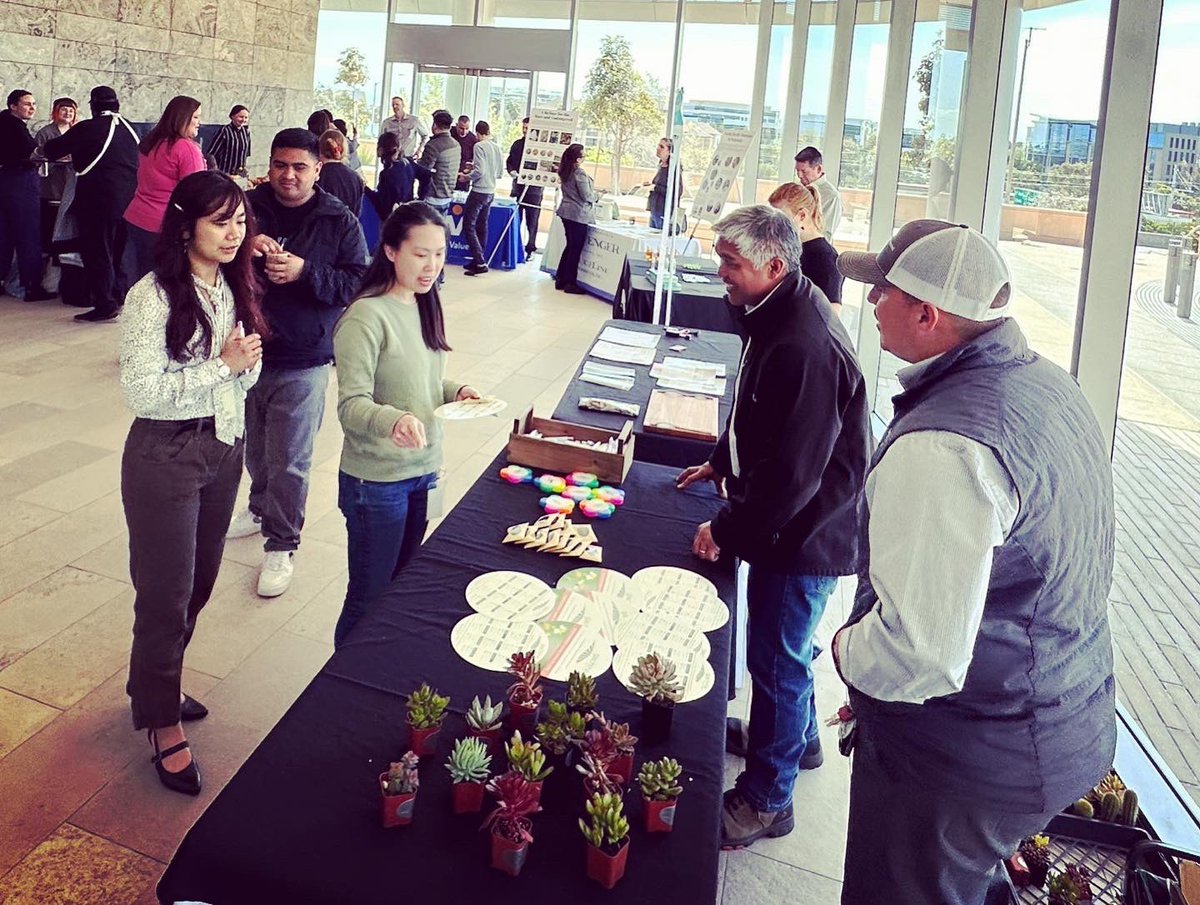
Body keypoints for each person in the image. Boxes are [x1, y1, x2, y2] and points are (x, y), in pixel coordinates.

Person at [831, 220, 1117, 905]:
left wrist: (847, 652)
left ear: (927, 314)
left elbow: (919, 654)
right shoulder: (1050, 386)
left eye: (883, 292)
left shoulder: (945, 446)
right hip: (1065, 713)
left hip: (970, 755)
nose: (871, 305)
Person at [676, 204, 870, 850]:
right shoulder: (777, 308)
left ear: (775, 266)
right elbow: (763, 420)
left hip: (807, 533)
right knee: (779, 657)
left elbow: (791, 476)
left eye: (732, 264)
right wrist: (720, 462)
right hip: (801, 519)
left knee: (777, 660)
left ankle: (767, 799)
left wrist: (727, 527)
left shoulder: (804, 342)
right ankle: (792, 739)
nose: (720, 273)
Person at [118, 170, 267, 796]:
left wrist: (243, 369)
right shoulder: (150, 298)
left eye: (239, 221)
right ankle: (160, 719)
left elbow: (240, 381)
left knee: (200, 583)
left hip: (221, 448)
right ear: (185, 227)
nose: (234, 234)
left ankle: (153, 683)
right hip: (165, 454)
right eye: (220, 222)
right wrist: (222, 367)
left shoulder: (232, 286)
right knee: (166, 594)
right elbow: (142, 391)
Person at [226, 128, 369, 598]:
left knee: (290, 458)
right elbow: (207, 257)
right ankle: (260, 506)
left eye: (299, 167)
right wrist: (244, 244)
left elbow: (354, 284)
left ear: (318, 169)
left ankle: (282, 543)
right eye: (280, 165)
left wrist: (305, 272)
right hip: (246, 348)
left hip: (304, 355)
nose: (288, 176)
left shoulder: (338, 219)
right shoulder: (244, 207)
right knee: (253, 446)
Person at [331, 201, 479, 647]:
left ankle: (378, 664)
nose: (432, 265)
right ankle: (343, 685)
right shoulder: (365, 316)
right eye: (420, 253)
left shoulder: (424, 303)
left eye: (438, 254)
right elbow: (351, 405)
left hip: (423, 471)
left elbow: (423, 378)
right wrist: (392, 420)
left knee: (401, 585)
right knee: (369, 594)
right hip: (376, 482)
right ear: (391, 251)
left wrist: (457, 391)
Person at [44, 85, 139, 322]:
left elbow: (53, 149)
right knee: (118, 251)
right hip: (129, 201)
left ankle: (104, 304)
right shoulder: (131, 129)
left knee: (98, 252)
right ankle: (119, 296)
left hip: (97, 200)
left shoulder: (89, 127)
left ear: (93, 106)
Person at [125, 95, 206, 282]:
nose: (199, 123)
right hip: (166, 225)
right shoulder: (186, 148)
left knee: (141, 281)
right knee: (167, 284)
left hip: (137, 217)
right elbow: (195, 192)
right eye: (195, 117)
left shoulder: (151, 143)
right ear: (181, 118)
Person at [0, 89, 54, 301]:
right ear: (13, 106)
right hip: (20, 182)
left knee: (3, 233)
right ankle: (31, 286)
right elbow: (33, 153)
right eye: (27, 104)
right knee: (28, 233)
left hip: (5, 181)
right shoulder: (14, 127)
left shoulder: (4, 122)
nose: (32, 108)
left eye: (33, 104)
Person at [768, 182, 843, 314]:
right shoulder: (790, 248)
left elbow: (831, 314)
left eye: (780, 218)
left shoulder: (825, 258)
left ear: (802, 216)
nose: (773, 225)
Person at [34, 97, 76, 251]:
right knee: (48, 225)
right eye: (64, 109)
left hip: (70, 185)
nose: (67, 113)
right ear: (55, 112)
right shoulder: (45, 133)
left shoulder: (76, 132)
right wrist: (57, 159)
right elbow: (36, 160)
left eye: (71, 110)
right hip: (50, 188)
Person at [553, 142, 596, 295]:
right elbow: (586, 196)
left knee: (570, 246)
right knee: (575, 249)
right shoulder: (579, 173)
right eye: (583, 156)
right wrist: (597, 196)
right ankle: (570, 282)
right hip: (578, 215)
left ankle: (561, 278)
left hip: (566, 212)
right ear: (578, 159)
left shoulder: (565, 170)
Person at [462, 120, 502, 276]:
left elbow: (480, 171)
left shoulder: (479, 146)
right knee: (482, 225)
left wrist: (467, 177)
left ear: (477, 133)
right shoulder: (496, 147)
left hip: (479, 190)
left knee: (468, 225)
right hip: (491, 191)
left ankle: (479, 261)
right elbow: (498, 171)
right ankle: (478, 259)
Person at [506, 116, 543, 256]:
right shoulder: (517, 144)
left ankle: (531, 248)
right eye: (523, 128)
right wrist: (512, 172)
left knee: (532, 220)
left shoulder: (539, 147)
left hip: (534, 190)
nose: (525, 131)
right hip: (518, 187)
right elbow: (509, 161)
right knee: (517, 218)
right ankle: (515, 247)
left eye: (528, 128)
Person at [416, 109, 460, 220]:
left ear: (435, 125)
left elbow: (423, 170)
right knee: (440, 231)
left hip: (432, 196)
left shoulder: (433, 145)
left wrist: (412, 163)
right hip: (447, 196)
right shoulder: (456, 145)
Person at [794, 146, 843, 241]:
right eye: (797, 171)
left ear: (819, 169)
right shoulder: (797, 189)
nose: (799, 175)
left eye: (804, 171)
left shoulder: (831, 196)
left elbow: (825, 234)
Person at [367, 131, 415, 220]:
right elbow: (426, 175)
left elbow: (381, 204)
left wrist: (365, 189)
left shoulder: (387, 174)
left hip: (391, 219)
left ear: (381, 149)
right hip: (407, 213)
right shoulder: (407, 163)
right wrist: (419, 200)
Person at [316, 128, 364, 216]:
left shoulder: (315, 175)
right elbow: (357, 213)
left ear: (319, 149)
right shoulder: (356, 178)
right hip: (349, 228)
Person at [643, 137, 682, 233]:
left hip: (663, 211)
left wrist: (655, 187)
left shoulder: (673, 170)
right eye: (658, 146)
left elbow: (676, 191)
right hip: (654, 209)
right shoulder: (661, 166)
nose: (658, 148)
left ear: (669, 152)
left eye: (662, 147)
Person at [208, 105, 251, 176]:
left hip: (240, 174)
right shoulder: (224, 131)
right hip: (225, 173)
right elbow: (211, 153)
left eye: (246, 117)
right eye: (241, 117)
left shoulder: (246, 132)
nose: (243, 120)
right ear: (232, 116)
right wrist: (215, 171)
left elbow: (246, 154)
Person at [452, 115, 477, 192]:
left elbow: (474, 159)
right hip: (449, 171)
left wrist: (467, 170)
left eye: (467, 129)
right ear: (456, 125)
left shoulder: (473, 139)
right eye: (461, 128)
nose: (464, 131)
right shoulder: (449, 134)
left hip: (463, 174)